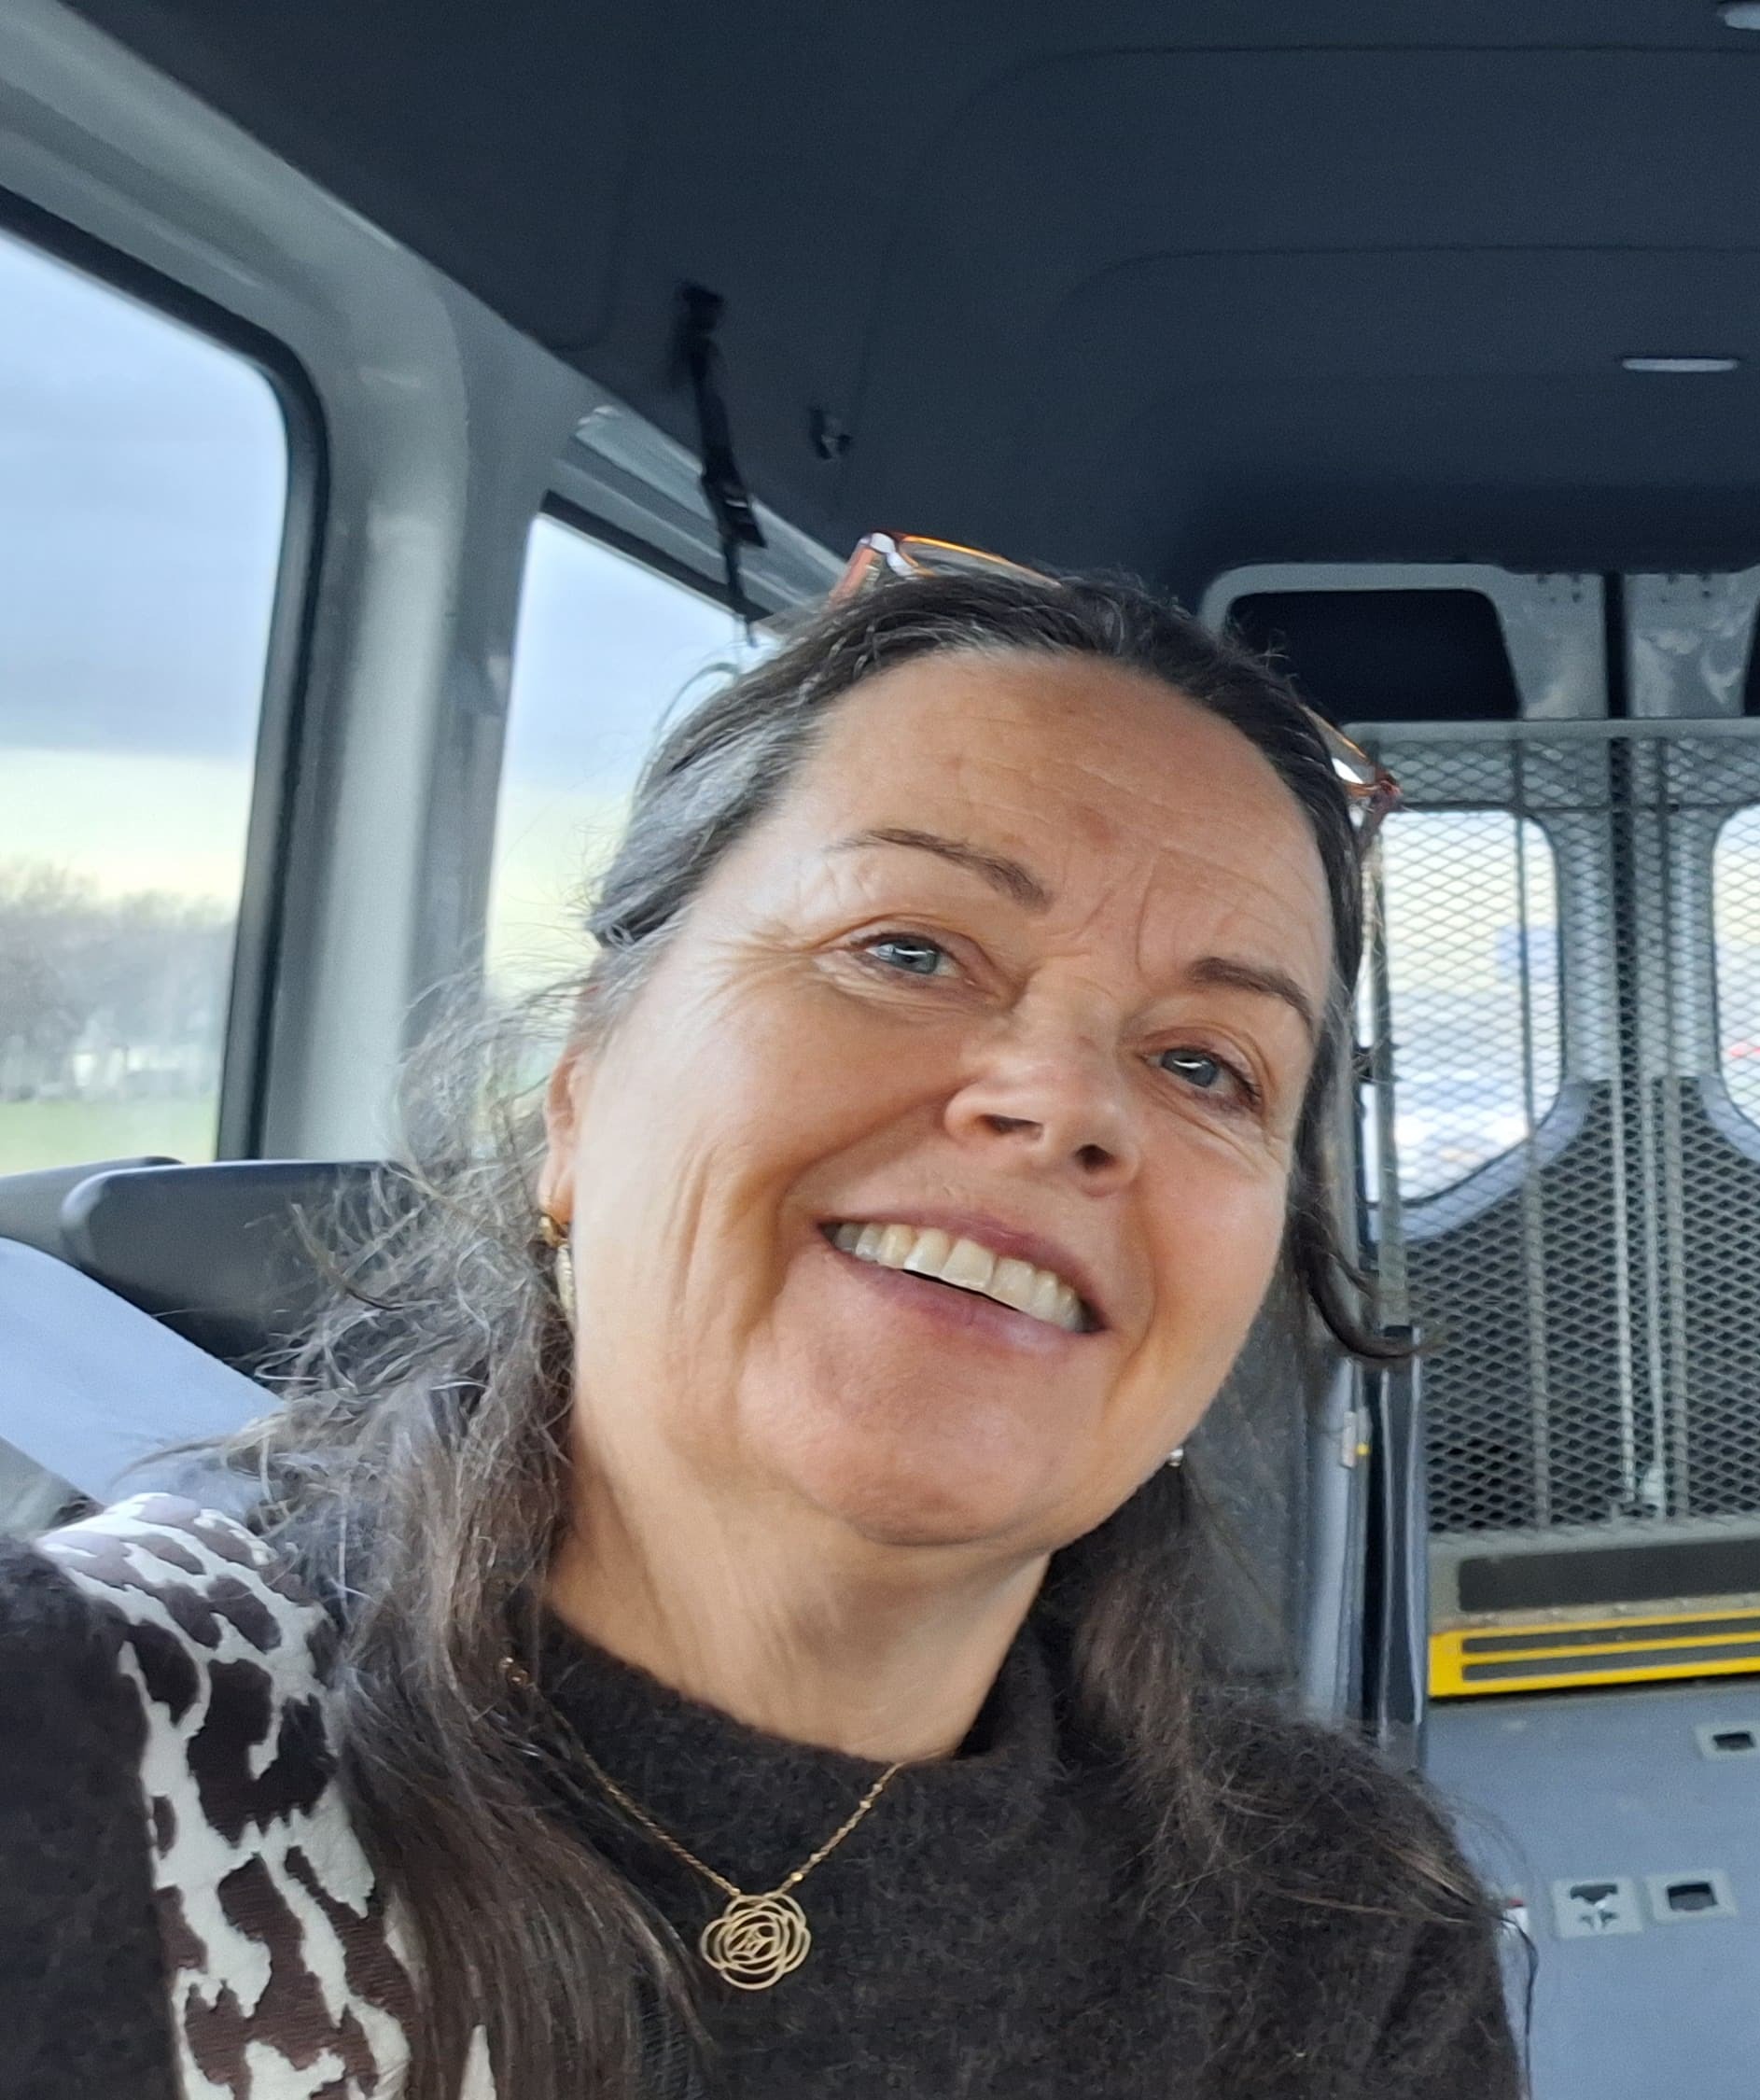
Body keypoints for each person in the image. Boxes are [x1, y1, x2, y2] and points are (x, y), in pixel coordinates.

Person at [0, 549, 1519, 2099]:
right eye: (907, 949)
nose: (1066, 1100)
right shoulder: (86, 1741)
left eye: (1207, 1065)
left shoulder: (1337, 1931)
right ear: (581, 1090)